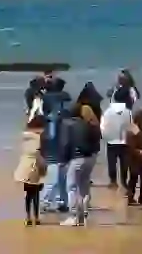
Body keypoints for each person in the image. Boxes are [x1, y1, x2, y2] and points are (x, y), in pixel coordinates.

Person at [62, 85, 102, 226]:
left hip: (77, 158)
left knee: (72, 186)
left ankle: (74, 216)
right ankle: (84, 215)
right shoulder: (93, 125)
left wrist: (64, 159)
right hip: (90, 158)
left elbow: (67, 144)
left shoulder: (72, 125)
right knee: (84, 185)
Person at [39, 78, 71, 213]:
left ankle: (47, 202)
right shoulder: (65, 98)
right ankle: (59, 202)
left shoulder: (45, 99)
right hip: (62, 139)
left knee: (53, 175)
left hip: (51, 141)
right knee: (61, 176)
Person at [14, 113, 47, 226]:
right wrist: (43, 169)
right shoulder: (39, 138)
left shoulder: (24, 137)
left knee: (28, 193)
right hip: (35, 166)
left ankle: (28, 217)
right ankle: (36, 217)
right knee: (36, 193)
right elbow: (38, 153)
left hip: (24, 166)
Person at [100, 88, 133, 190]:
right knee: (124, 163)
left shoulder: (108, 111)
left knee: (111, 162)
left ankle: (113, 181)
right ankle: (124, 182)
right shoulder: (127, 112)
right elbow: (131, 126)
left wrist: (104, 136)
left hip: (111, 141)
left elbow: (103, 126)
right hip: (124, 142)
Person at [125, 110, 142, 205]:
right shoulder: (132, 131)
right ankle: (130, 197)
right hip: (133, 159)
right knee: (133, 178)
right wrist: (141, 152)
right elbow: (130, 147)